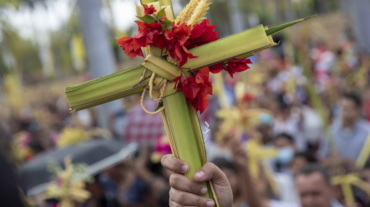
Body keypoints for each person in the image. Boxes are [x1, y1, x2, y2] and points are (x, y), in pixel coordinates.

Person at [331, 92, 370, 161]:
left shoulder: (368, 132)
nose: (345, 112)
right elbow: (322, 157)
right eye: (342, 108)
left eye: (348, 108)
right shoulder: (331, 132)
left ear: (358, 110)